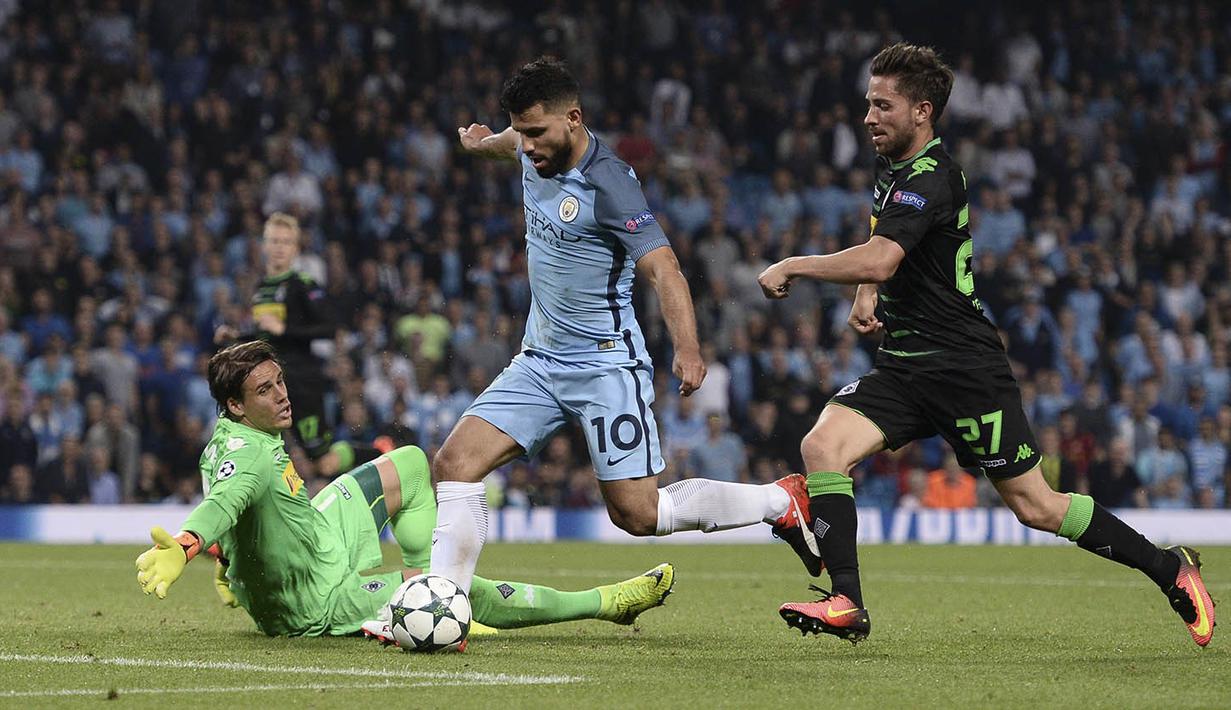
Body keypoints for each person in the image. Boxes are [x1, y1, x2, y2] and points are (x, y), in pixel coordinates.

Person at [757, 43, 1214, 647]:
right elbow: (883, 243)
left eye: (882, 106)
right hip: (906, 366)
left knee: (1036, 507)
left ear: (922, 112)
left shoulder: (933, 177)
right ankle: (847, 601)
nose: (868, 117)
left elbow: (883, 256)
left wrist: (795, 264)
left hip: (964, 369)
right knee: (822, 446)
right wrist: (866, 293)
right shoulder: (894, 169)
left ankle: (1169, 569)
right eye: (868, 104)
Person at [430, 57, 815, 603]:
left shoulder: (609, 184)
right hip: (539, 361)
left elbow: (664, 268)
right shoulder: (532, 146)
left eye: (536, 132)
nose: (528, 146)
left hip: (605, 365)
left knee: (637, 514)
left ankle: (779, 501)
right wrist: (482, 143)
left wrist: (688, 349)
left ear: (574, 119)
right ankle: (445, 606)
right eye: (521, 131)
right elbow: (509, 142)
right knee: (454, 464)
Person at [134, 341, 675, 642]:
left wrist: (231, 564)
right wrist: (186, 546)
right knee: (452, 593)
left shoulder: (232, 439)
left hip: (320, 536)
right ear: (235, 405)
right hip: (312, 599)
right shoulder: (249, 456)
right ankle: (603, 604)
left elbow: (236, 508)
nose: (281, 395)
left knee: (411, 463)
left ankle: (432, 577)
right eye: (264, 390)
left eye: (279, 381)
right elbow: (223, 504)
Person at [215, 213, 375, 478]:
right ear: (264, 246)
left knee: (323, 462)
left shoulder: (302, 285)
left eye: (286, 242)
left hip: (303, 384)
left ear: (296, 249)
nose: (279, 247)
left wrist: (285, 329)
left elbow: (330, 327)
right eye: (274, 241)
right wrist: (236, 338)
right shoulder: (261, 289)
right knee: (281, 456)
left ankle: (379, 452)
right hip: (272, 384)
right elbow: (266, 337)